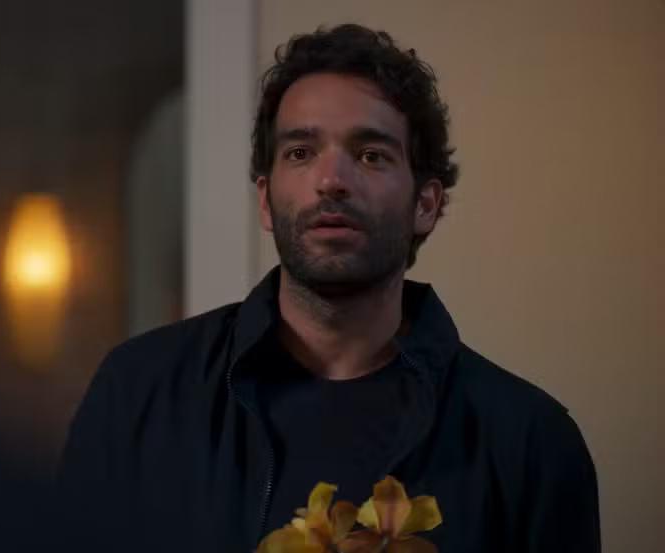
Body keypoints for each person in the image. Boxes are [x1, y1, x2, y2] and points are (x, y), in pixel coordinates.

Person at [57, 24, 600, 553]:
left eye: (371, 154)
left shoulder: (530, 442)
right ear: (266, 200)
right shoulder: (138, 392)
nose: (332, 180)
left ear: (425, 204)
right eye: (300, 152)